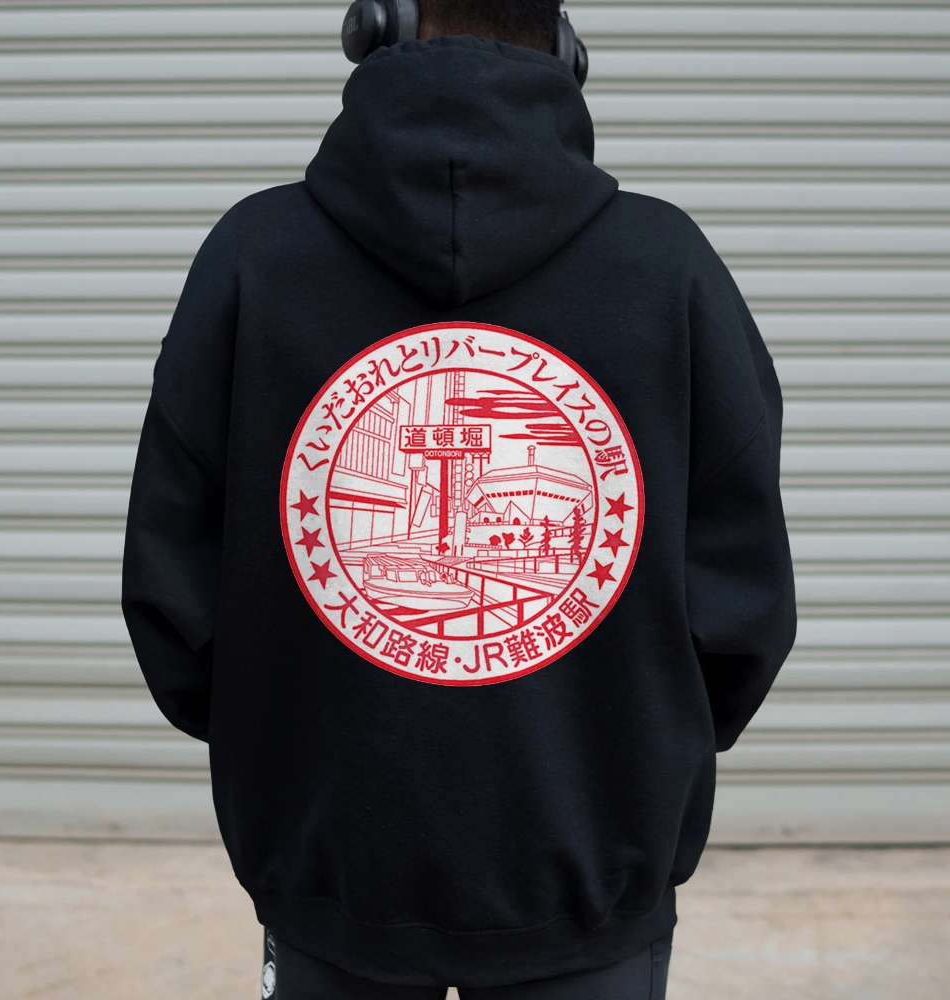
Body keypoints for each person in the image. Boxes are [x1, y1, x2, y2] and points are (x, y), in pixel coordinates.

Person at [121, 1, 797, 997]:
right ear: (565, 50)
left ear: (377, 27)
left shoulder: (254, 256)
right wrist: (635, 758)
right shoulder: (668, 266)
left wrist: (281, 745)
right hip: (590, 884)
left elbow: (173, 588)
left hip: (329, 875)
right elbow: (742, 607)